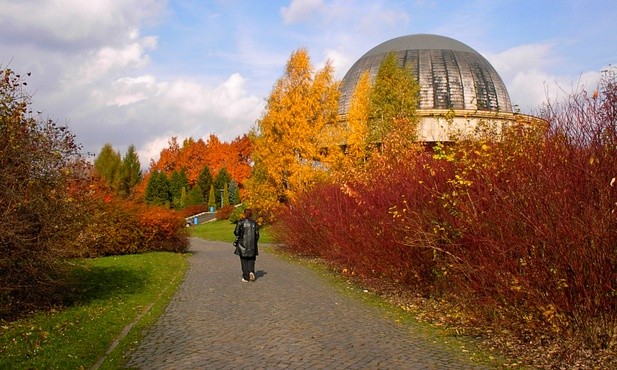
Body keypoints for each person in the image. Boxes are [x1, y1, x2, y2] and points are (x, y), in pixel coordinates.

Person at [233, 208, 259, 282]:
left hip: (242, 244)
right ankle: (251, 271)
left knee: (243, 260)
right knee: (251, 259)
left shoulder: (241, 222)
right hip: (252, 245)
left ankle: (246, 277)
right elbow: (257, 235)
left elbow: (236, 232)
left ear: (244, 213)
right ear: (251, 214)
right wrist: (254, 241)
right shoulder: (254, 223)